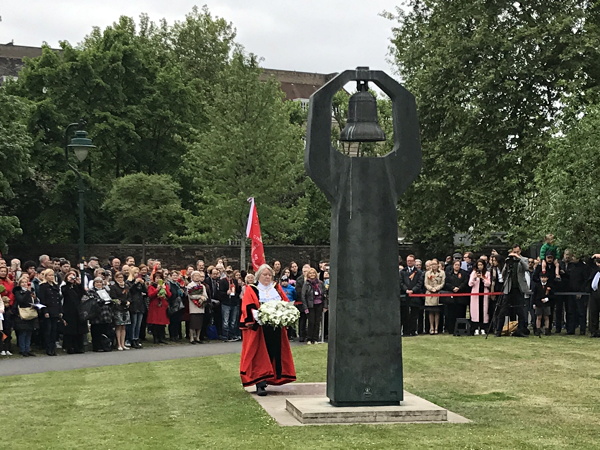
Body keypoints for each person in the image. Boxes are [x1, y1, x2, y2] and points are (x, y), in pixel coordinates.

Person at [239, 264, 296, 396]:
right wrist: (258, 316)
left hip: (275, 327)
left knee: (274, 353)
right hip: (260, 328)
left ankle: (271, 377)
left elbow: (285, 302)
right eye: (264, 274)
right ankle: (260, 383)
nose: (267, 277)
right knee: (260, 354)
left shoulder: (276, 288)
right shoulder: (252, 289)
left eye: (269, 275)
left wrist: (285, 314)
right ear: (259, 276)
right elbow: (248, 306)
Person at [496, 244, 530, 337]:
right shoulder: (508, 260)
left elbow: (527, 268)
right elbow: (503, 274)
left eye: (517, 252)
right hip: (509, 289)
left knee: (521, 311)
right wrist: (508, 262)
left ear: (520, 251)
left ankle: (520, 330)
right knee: (503, 310)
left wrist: (518, 258)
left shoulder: (524, 259)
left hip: (518, 289)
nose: (515, 253)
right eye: (514, 252)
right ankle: (498, 330)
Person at [61, 269, 87, 354]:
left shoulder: (76, 288)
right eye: (70, 276)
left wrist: (79, 284)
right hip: (69, 310)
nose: (72, 277)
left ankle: (79, 347)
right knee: (70, 330)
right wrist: (69, 282)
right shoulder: (64, 287)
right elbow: (65, 293)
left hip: (78, 310)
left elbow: (82, 294)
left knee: (79, 330)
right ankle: (70, 347)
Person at [12, 275, 39, 357]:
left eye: (26, 282)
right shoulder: (18, 292)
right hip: (22, 313)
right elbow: (21, 300)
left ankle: (28, 349)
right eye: (22, 282)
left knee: (29, 332)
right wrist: (27, 292)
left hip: (30, 312)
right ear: (19, 284)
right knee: (23, 333)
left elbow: (35, 300)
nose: (24, 284)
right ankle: (22, 349)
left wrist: (35, 300)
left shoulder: (31, 291)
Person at [37, 269, 62, 355]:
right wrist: (45, 311)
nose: (51, 277)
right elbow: (42, 300)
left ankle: (53, 348)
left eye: (52, 275)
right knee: (48, 330)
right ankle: (48, 348)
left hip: (55, 309)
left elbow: (58, 299)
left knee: (54, 330)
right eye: (49, 275)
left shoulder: (56, 286)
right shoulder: (43, 286)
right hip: (48, 309)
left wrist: (60, 310)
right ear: (45, 276)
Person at [87, 277, 115, 352]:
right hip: (96, 315)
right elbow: (91, 301)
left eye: (100, 282)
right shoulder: (91, 291)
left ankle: (105, 346)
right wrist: (100, 301)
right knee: (96, 332)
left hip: (106, 313)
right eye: (97, 282)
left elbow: (109, 299)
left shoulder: (105, 291)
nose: (99, 284)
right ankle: (97, 347)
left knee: (105, 331)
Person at [301, 267, 328, 345]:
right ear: (308, 274)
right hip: (310, 305)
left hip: (319, 304)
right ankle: (309, 338)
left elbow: (324, 295)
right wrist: (305, 307)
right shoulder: (306, 283)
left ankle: (315, 339)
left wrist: (325, 306)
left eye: (313, 273)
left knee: (317, 322)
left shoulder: (320, 283)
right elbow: (303, 296)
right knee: (311, 322)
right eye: (310, 273)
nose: (312, 274)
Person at [400, 254, 424, 336]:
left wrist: (413, 290)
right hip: (405, 296)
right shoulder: (403, 272)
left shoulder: (419, 272)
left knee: (414, 315)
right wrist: (406, 290)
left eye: (410, 261)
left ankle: (413, 331)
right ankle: (405, 331)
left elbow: (419, 283)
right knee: (405, 315)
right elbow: (401, 283)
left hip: (415, 296)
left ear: (414, 261)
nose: (409, 262)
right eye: (408, 261)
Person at [442, 259, 469, 335]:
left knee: (461, 313)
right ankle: (451, 329)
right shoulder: (449, 273)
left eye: (458, 265)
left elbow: (465, 282)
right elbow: (446, 283)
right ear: (453, 266)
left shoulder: (464, 273)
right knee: (451, 314)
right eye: (455, 265)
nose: (457, 266)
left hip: (461, 297)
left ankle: (461, 329)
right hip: (451, 297)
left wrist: (459, 288)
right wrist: (453, 288)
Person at [147, 271, 171, 344]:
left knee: (162, 323)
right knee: (155, 323)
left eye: (160, 278)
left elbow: (169, 295)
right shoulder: (151, 286)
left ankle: (161, 337)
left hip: (162, 306)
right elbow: (150, 295)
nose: (158, 280)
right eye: (157, 278)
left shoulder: (165, 285)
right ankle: (155, 338)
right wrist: (157, 289)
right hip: (155, 306)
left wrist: (165, 288)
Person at [468, 259, 491, 335]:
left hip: (484, 295)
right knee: (475, 311)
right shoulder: (473, 273)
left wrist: (482, 278)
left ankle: (483, 327)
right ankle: (475, 328)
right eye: (479, 265)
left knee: (484, 311)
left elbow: (488, 284)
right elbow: (470, 284)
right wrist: (475, 278)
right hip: (475, 295)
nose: (480, 266)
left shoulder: (487, 273)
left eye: (481, 265)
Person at [126, 267, 147, 348]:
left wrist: (143, 284)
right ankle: (131, 339)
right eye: (135, 273)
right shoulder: (129, 282)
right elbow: (130, 291)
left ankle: (136, 338)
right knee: (133, 323)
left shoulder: (140, 282)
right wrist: (135, 283)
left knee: (139, 324)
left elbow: (145, 292)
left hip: (140, 304)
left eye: (138, 273)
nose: (137, 275)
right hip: (133, 304)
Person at [424, 259, 445, 334]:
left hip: (438, 293)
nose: (433, 266)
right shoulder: (427, 273)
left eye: (435, 264)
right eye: (432, 264)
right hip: (429, 294)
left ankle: (436, 328)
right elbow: (426, 283)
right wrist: (431, 289)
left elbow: (442, 283)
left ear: (438, 264)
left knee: (437, 311)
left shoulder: (442, 273)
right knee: (430, 311)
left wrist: (436, 289)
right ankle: (431, 328)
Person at [187, 271, 208, 344]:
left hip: (201, 306)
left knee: (199, 323)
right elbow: (191, 295)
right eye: (195, 276)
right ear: (192, 277)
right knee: (193, 323)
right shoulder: (190, 285)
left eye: (198, 276)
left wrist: (202, 299)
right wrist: (199, 296)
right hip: (193, 306)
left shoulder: (202, 286)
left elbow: (205, 295)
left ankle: (198, 337)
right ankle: (192, 337)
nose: (197, 277)